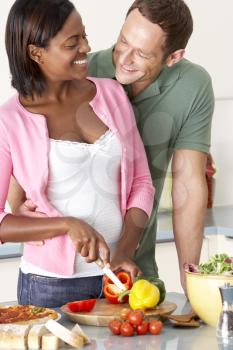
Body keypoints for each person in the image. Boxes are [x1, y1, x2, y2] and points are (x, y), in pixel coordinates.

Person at [9, 0, 215, 293]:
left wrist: (193, 287)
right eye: (122, 41)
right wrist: (19, 205)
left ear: (173, 57)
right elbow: (23, 140)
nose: (124, 59)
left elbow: (189, 184)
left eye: (142, 53)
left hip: (134, 265)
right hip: (56, 272)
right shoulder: (80, 69)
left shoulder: (192, 86)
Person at [0, 0, 154, 308]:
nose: (86, 48)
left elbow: (141, 182)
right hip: (49, 287)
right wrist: (66, 224)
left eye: (84, 36)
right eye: (73, 42)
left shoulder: (110, 95)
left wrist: (124, 250)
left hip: (117, 282)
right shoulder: (9, 121)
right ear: (36, 52)